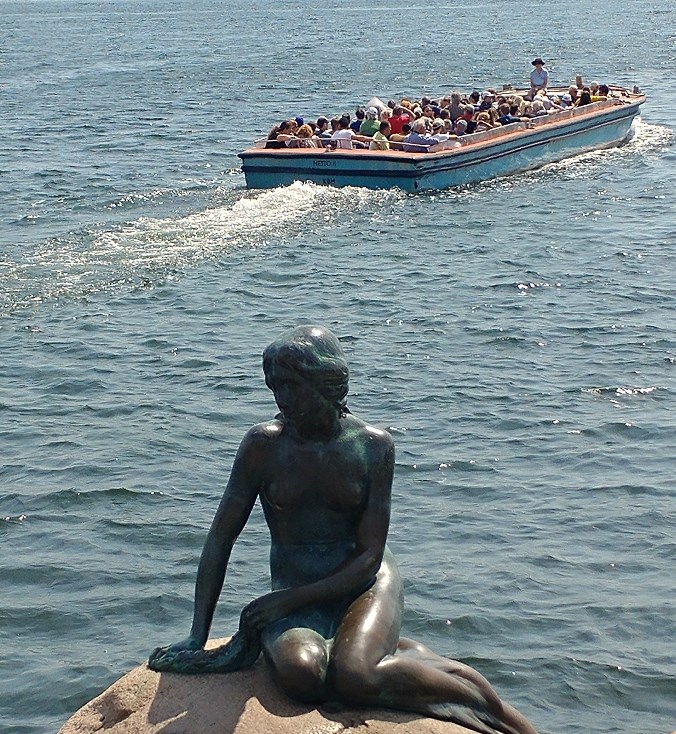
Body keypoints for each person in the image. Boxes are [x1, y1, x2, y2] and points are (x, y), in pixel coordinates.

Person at [148, 326, 539, 734]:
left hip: (363, 582)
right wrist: (197, 635)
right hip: (298, 586)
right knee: (302, 675)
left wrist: (282, 603)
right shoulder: (263, 446)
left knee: (355, 675)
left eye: (292, 386)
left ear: (327, 383)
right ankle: (386, 652)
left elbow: (369, 557)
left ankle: (486, 705)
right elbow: (220, 539)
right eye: (275, 386)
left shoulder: (373, 446)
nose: (281, 398)